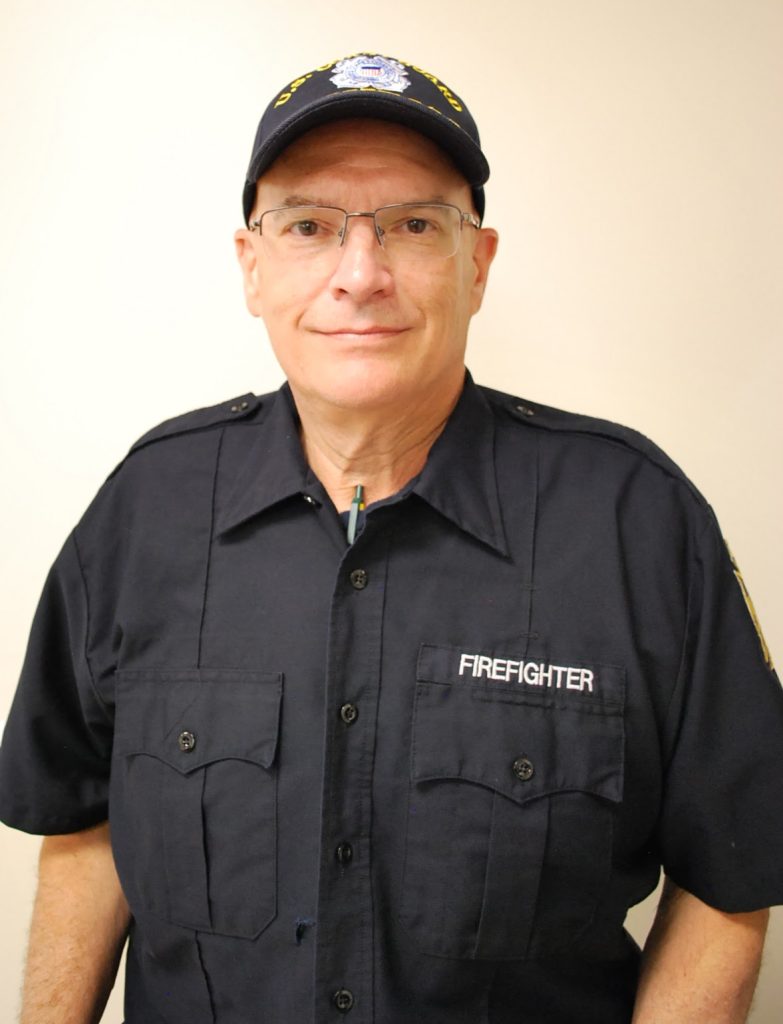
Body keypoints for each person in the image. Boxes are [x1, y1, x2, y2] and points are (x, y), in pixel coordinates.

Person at [0, 51, 781, 1024]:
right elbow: (84, 824)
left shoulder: (639, 524)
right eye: (310, 227)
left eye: (413, 225)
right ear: (252, 265)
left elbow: (733, 874)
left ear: (478, 263)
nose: (359, 276)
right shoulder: (143, 511)